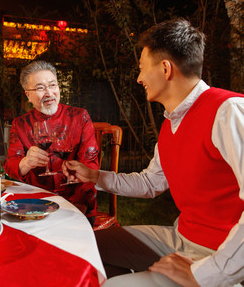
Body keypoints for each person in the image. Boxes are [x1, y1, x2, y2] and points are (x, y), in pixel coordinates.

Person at [63, 18, 244, 286]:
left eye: (141, 68)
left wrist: (204, 273)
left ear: (165, 68)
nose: (138, 78)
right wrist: (94, 176)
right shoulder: (172, 122)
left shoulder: (228, 111)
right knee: (88, 247)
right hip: (179, 238)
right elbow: (151, 183)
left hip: (217, 255)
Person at [4, 60, 99, 224]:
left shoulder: (79, 117)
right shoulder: (20, 124)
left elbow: (90, 166)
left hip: (75, 205)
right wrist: (25, 163)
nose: (49, 93)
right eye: (40, 88)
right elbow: (11, 165)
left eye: (53, 85)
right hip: (35, 205)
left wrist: (77, 209)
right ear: (28, 95)